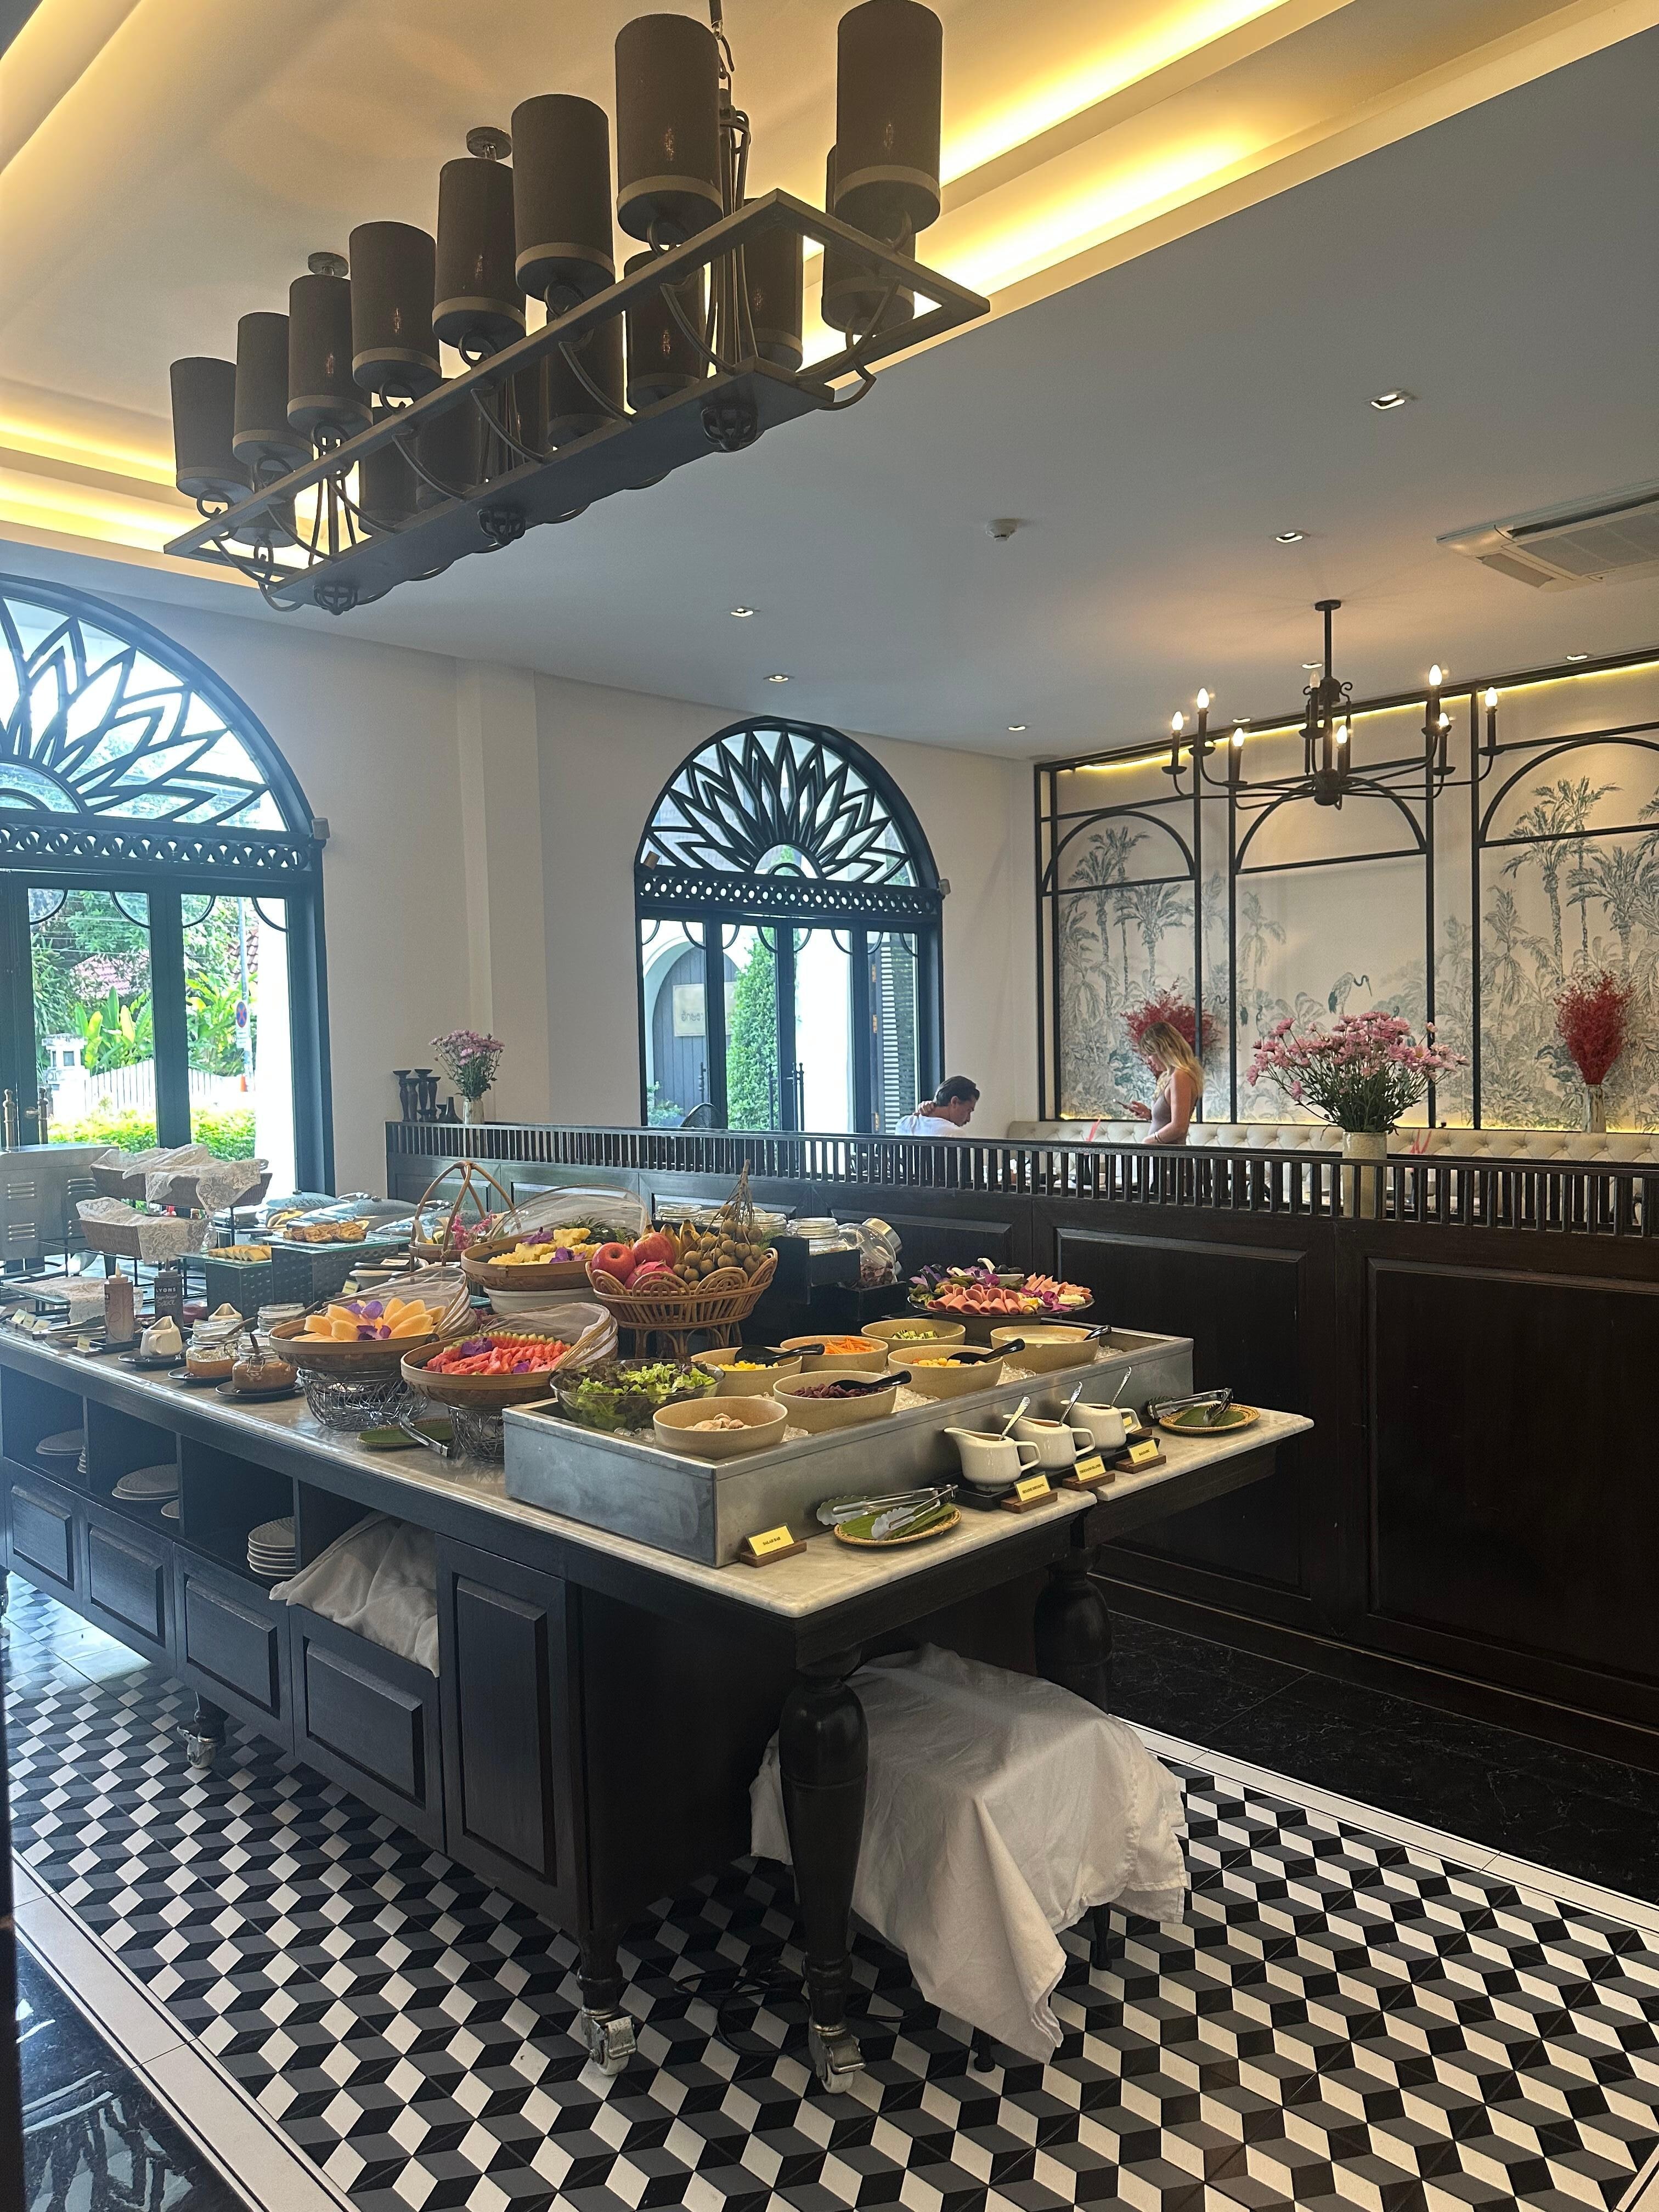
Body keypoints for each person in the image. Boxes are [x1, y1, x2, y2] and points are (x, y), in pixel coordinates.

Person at [1126, 1022, 1203, 1144]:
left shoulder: (1180, 1076)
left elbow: (1179, 1127)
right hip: (1162, 1153)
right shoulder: (1169, 1076)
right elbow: (1169, 1119)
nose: (1148, 1060)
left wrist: (1149, 1141)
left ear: (1163, 1050)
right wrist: (1150, 1115)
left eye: (1150, 1054)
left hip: (1170, 1155)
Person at [895, 1075, 980, 1136]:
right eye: (969, 1111)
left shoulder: (903, 1123)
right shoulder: (954, 1134)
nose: (969, 1119)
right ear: (954, 1102)